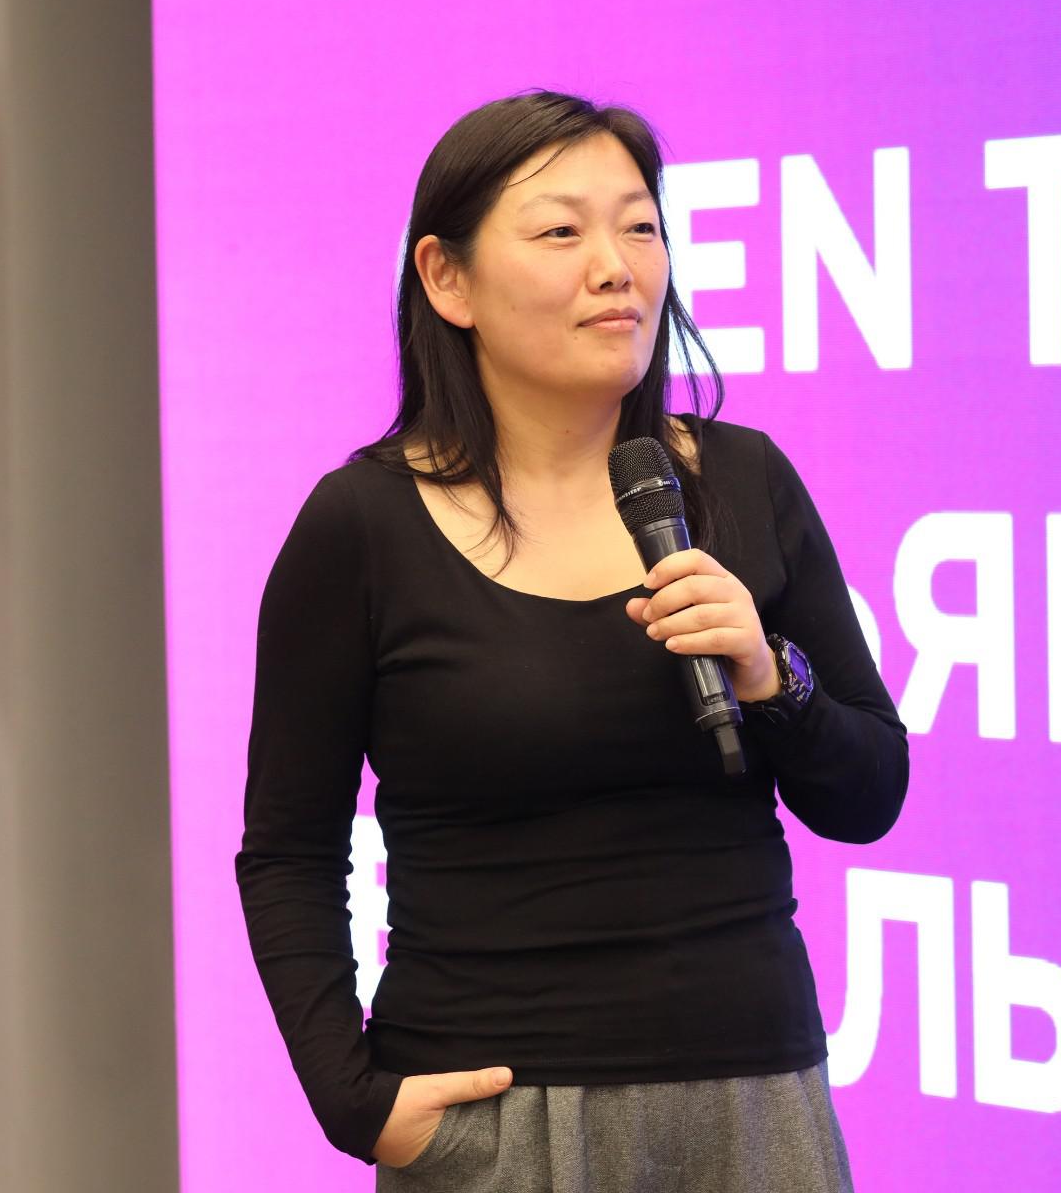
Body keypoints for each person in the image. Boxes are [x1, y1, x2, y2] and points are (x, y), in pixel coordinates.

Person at [237, 90, 909, 1193]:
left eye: (640, 227)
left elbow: (870, 793)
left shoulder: (744, 481)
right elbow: (287, 850)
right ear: (447, 279)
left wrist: (769, 675)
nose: (616, 268)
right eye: (562, 232)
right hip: (496, 1114)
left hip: (753, 1099)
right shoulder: (362, 524)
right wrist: (353, 1101)